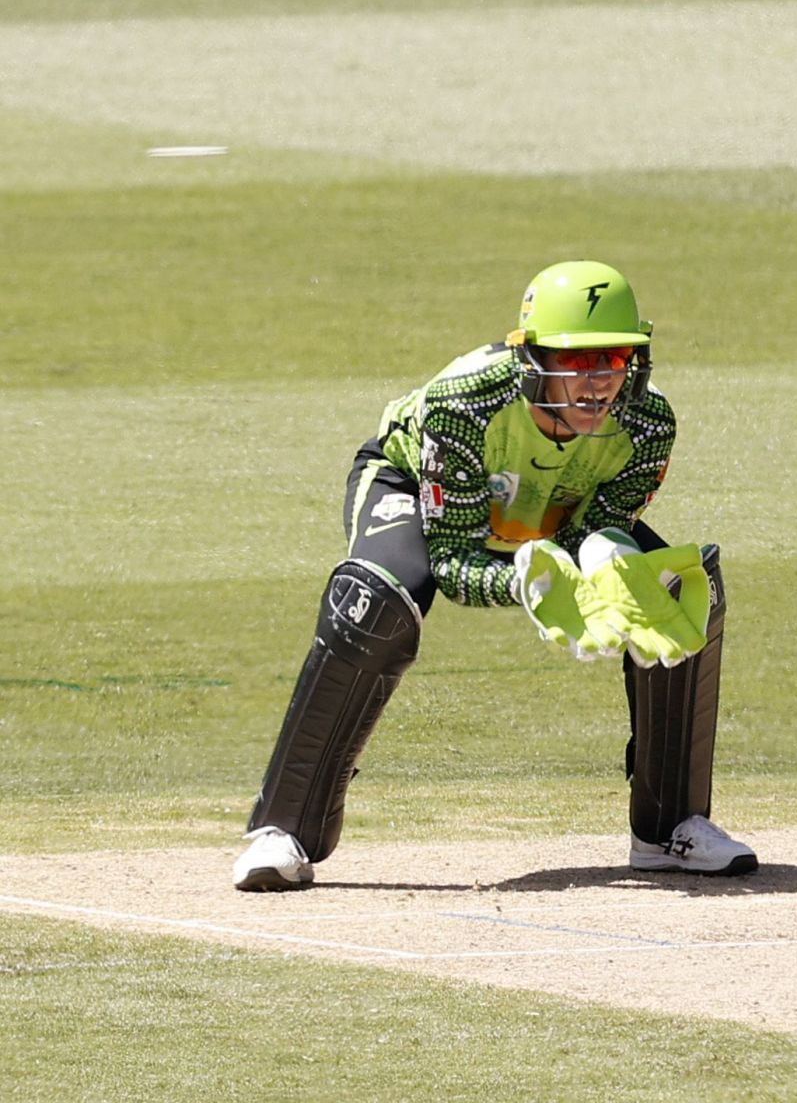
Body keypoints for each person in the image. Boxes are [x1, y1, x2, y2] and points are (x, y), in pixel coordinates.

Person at [233, 260, 757, 890]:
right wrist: (526, 584)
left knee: (667, 596)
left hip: (552, 508)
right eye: (576, 362)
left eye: (613, 360)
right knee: (375, 599)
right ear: (532, 357)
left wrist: (610, 564)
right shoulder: (465, 402)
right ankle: (283, 829)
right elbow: (451, 558)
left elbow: (603, 523)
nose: (597, 385)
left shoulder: (647, 423)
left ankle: (670, 828)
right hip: (415, 488)